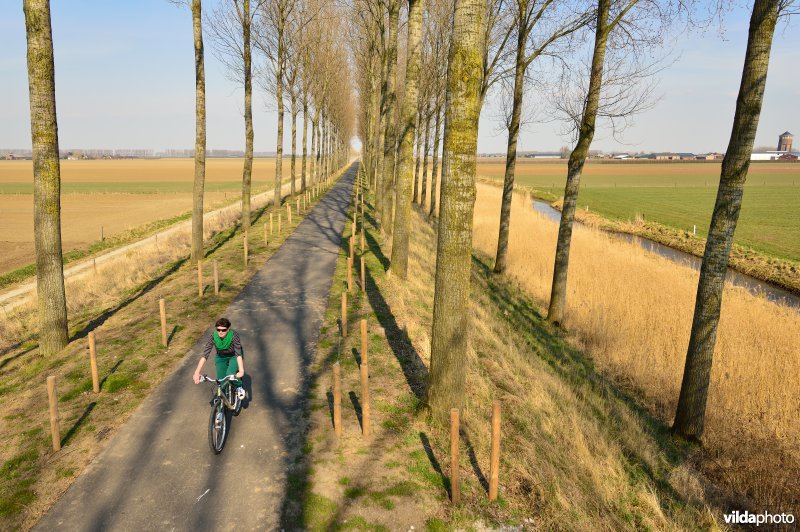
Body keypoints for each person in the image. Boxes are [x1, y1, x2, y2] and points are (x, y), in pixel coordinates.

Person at [193, 317, 246, 401]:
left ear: (228, 329)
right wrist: (197, 372)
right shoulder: (213, 337)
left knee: (230, 374)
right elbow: (205, 355)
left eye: (223, 330)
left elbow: (238, 354)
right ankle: (222, 405)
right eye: (218, 329)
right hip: (221, 357)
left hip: (234, 356)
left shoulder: (234, 336)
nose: (220, 332)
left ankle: (239, 386)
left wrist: (241, 370)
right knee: (221, 381)